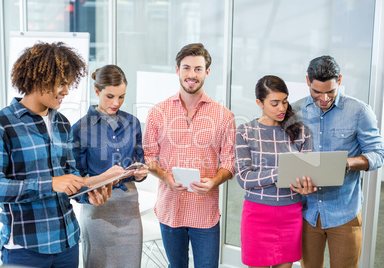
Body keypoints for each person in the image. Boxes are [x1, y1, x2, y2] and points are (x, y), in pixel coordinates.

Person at [0, 42, 129, 268]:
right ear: (38, 79)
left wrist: (91, 190)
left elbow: (70, 179)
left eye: (68, 84)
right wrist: (50, 184)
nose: (66, 91)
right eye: (61, 84)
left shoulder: (61, 123)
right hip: (26, 249)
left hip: (68, 244)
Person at [142, 43, 236, 267]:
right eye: (186, 68)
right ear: (177, 70)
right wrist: (166, 178)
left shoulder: (224, 116)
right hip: (170, 209)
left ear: (207, 72)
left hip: (204, 213)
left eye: (198, 69)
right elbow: (149, 156)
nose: (191, 75)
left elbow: (231, 163)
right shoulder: (157, 113)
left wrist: (214, 181)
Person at [292, 55, 384, 268]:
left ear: (340, 80)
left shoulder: (360, 111)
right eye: (317, 92)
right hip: (307, 213)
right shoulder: (294, 111)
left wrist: (348, 163)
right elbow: (287, 154)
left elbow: (378, 154)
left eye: (330, 91)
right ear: (308, 81)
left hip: (344, 213)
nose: (324, 98)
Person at [71, 64, 149, 268]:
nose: (116, 102)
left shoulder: (133, 123)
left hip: (129, 209)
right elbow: (74, 180)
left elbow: (138, 163)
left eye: (122, 96)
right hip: (98, 209)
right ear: (97, 91)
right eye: (110, 96)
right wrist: (95, 186)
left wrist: (140, 174)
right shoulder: (80, 128)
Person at [235, 75, 316, 268]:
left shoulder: (301, 132)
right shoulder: (245, 131)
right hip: (257, 214)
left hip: (290, 214)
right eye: (275, 103)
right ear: (259, 103)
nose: (282, 108)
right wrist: (280, 173)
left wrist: (306, 186)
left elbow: (307, 173)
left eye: (285, 102)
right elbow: (244, 178)